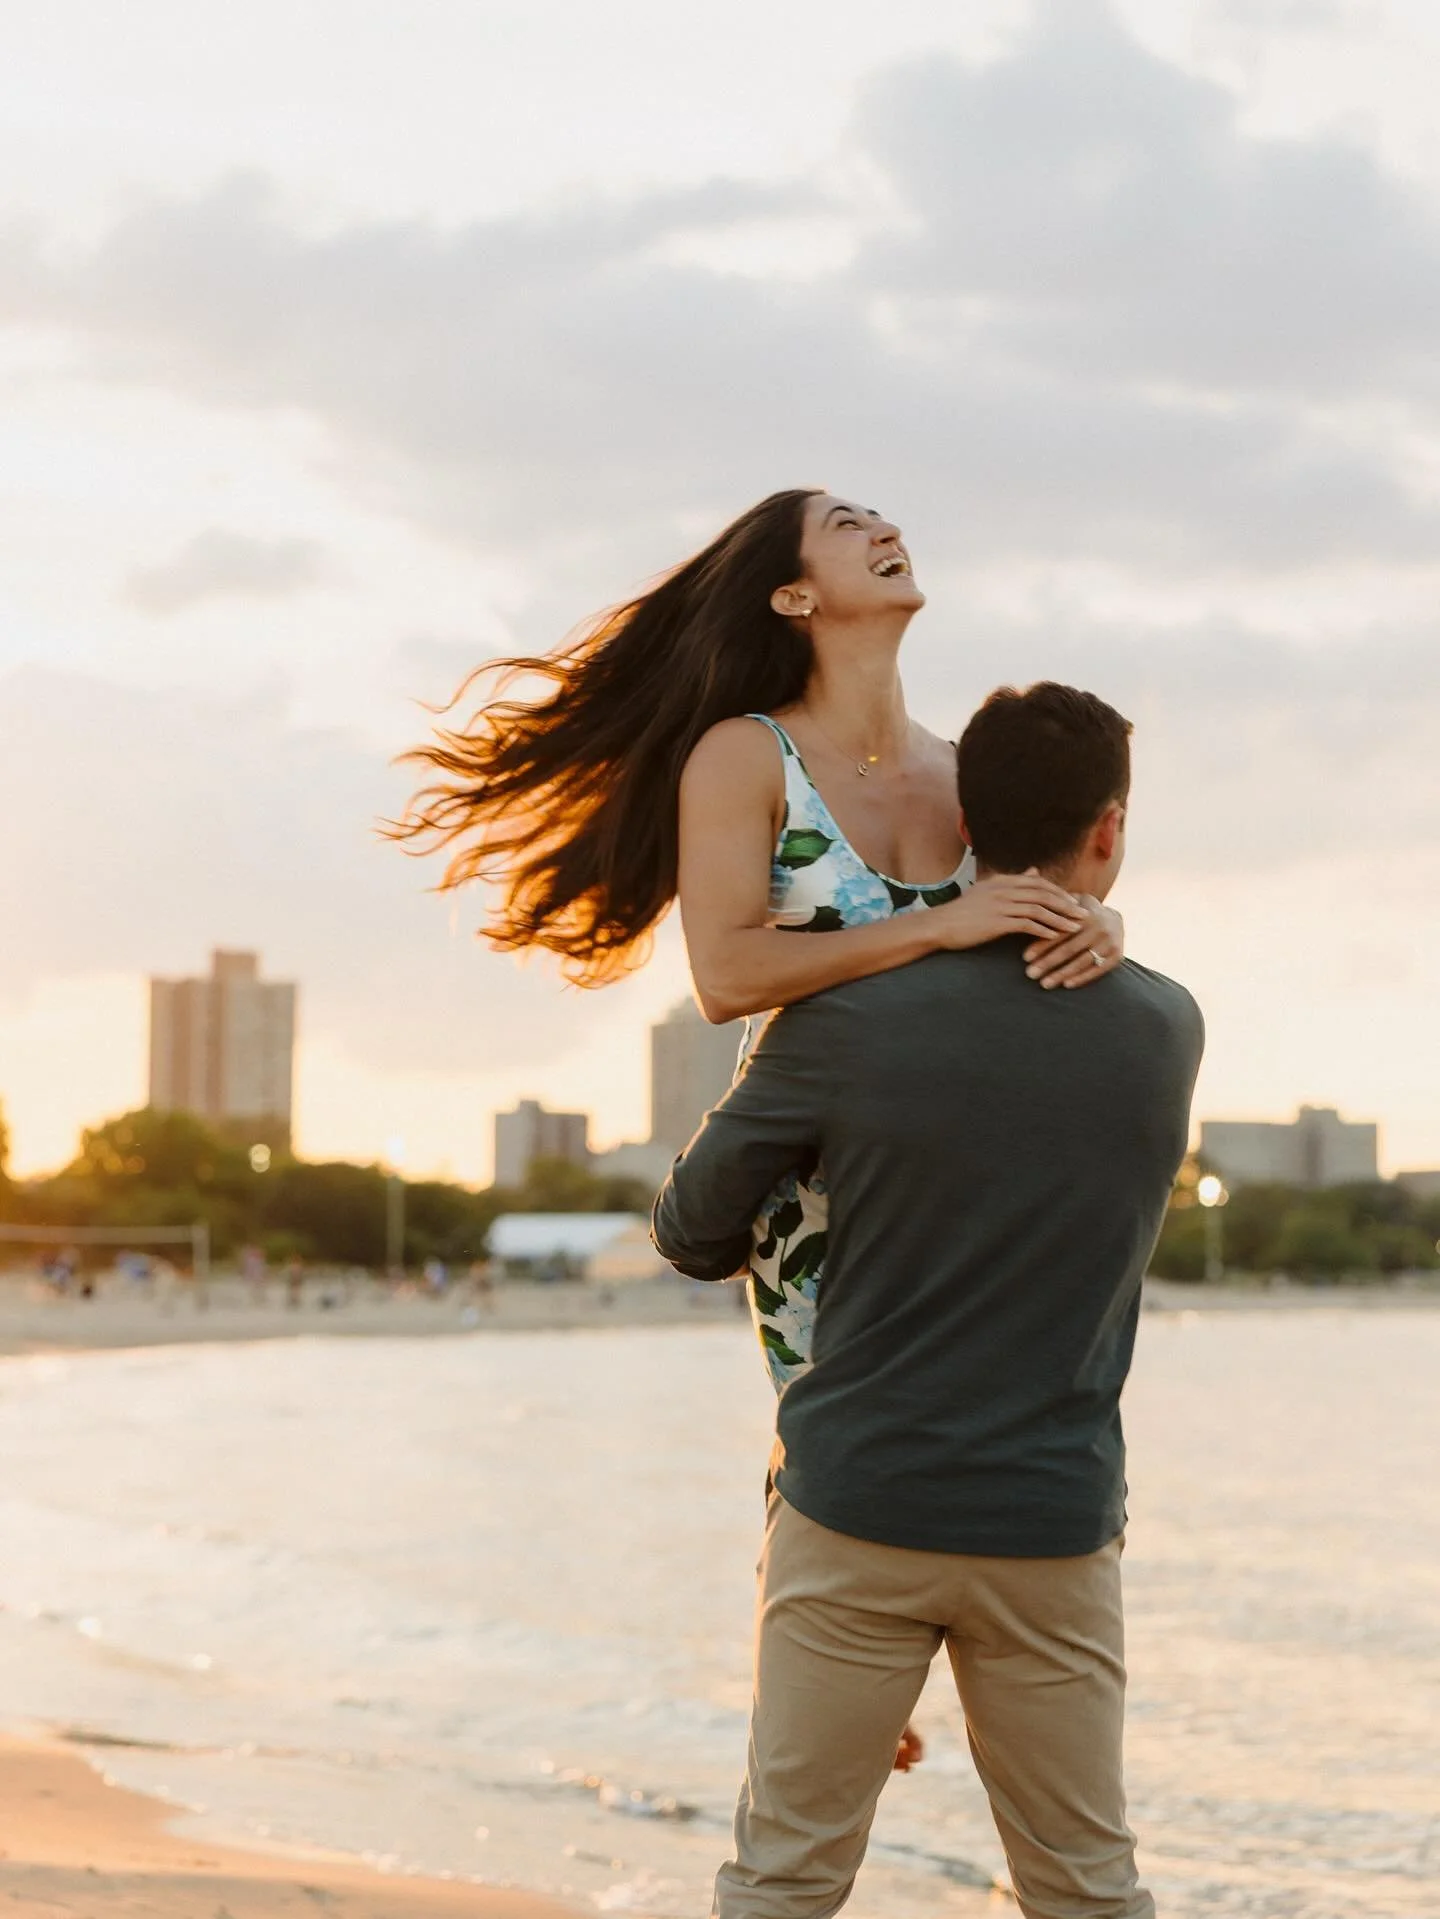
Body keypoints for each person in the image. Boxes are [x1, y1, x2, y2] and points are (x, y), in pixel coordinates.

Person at [394, 489, 1124, 1764]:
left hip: (939, 1174)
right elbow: (726, 971)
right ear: (795, 595)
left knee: (961, 1431)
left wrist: (1103, 927)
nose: (885, 526)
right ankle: (828, 1657)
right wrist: (938, 924)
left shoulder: (964, 773)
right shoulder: (745, 756)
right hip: (805, 1191)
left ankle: (885, 1655)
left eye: (882, 514)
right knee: (830, 1421)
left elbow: (1038, 930)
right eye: (846, 525)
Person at [652, 683, 1204, 1919]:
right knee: (1088, 1891)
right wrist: (1097, 924)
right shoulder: (1167, 1023)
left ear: (959, 820)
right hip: (1052, 1521)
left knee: (786, 1879)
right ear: (1107, 829)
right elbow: (1080, 971)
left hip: (857, 1504)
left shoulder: (844, 1018)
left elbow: (691, 1229)